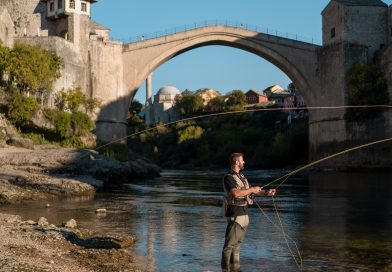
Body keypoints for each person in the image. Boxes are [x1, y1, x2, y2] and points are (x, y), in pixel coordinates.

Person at [221, 153, 276, 271]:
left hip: (244, 215)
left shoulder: (242, 177)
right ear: (236, 162)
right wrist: (251, 189)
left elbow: (252, 191)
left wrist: (266, 193)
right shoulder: (228, 177)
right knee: (229, 246)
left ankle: (235, 268)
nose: (244, 162)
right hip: (235, 215)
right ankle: (225, 269)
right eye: (242, 160)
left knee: (237, 246)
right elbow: (236, 193)